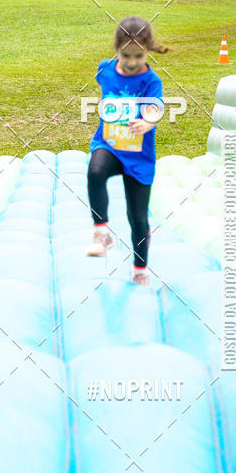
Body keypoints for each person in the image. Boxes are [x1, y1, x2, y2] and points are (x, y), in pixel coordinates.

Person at [85, 16, 169, 287]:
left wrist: (148, 122)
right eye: (126, 55)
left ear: (148, 50)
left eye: (139, 56)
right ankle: (101, 233)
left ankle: (140, 269)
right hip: (109, 146)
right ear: (116, 49)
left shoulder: (151, 80)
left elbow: (156, 106)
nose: (132, 62)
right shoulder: (104, 70)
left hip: (138, 157)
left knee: (138, 218)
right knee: (95, 170)